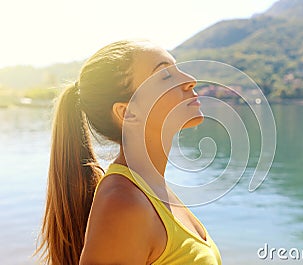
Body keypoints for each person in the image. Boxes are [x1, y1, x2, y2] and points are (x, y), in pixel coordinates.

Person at [36, 40, 222, 265]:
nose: (189, 80)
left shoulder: (152, 191)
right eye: (165, 76)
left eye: (177, 69)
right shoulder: (123, 203)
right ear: (127, 112)